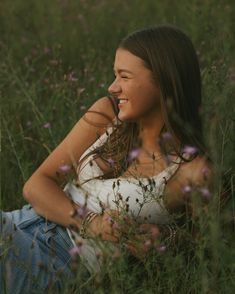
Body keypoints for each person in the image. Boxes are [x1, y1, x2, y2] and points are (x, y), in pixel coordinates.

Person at [0, 25, 212, 293]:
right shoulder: (106, 115)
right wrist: (90, 222)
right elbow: (37, 185)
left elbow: (211, 243)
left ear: (164, 79)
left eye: (124, 76)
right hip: (22, 223)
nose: (113, 87)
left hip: (58, 262)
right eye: (115, 75)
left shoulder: (193, 170)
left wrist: (168, 238)